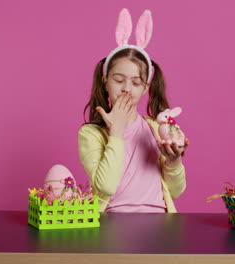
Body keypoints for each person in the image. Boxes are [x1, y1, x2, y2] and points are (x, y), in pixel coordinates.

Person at [78, 8, 189, 213]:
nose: (126, 88)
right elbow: (105, 187)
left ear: (145, 87)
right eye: (118, 80)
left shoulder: (156, 128)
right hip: (110, 223)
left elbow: (175, 191)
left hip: (159, 222)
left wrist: (174, 161)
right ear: (105, 82)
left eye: (136, 82)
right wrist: (117, 131)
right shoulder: (90, 134)